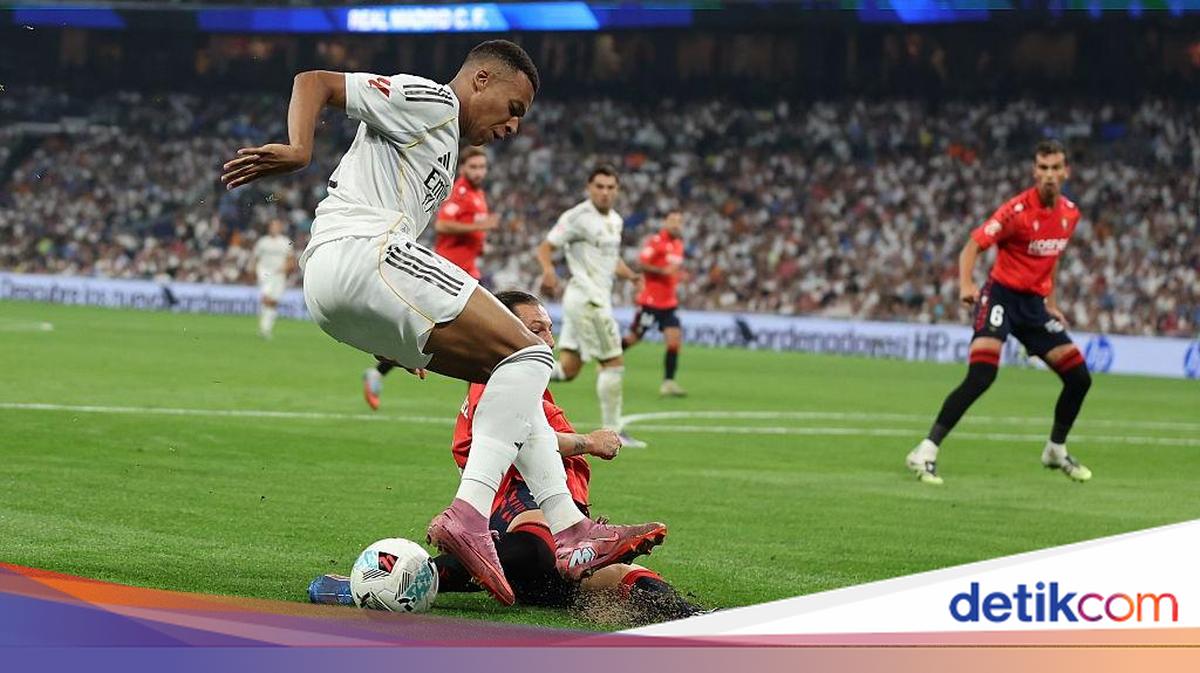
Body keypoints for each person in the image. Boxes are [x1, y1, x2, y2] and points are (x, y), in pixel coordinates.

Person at [220, 40, 665, 606]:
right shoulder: (434, 101)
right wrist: (299, 149)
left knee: (509, 373)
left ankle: (571, 531)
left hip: (344, 285)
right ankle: (471, 514)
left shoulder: (445, 147)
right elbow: (316, 81)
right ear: (481, 80)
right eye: (513, 108)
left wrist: (393, 330)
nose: (514, 126)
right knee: (532, 352)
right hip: (362, 251)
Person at [311, 291, 693, 624]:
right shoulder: (499, 380)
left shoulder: (522, 384)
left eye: (549, 329)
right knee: (540, 549)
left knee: (611, 576)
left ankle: (692, 616)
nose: (548, 339)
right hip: (517, 504)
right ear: (501, 330)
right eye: (535, 329)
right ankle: (400, 579)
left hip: (549, 518)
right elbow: (523, 437)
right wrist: (589, 442)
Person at [905, 140, 1093, 485]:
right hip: (1000, 298)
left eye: (1055, 168)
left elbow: (1052, 257)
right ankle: (925, 451)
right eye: (1043, 168)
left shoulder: (1070, 214)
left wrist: (1051, 303)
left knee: (1079, 378)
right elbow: (971, 247)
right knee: (982, 375)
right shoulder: (1015, 212)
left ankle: (1055, 449)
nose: (1049, 175)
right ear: (1034, 171)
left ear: (1066, 171)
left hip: (1033, 307)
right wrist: (966, 285)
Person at [363, 147, 497, 410]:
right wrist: (479, 227)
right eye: (473, 167)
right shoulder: (459, 192)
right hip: (449, 274)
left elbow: (466, 233)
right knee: (448, 335)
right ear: (463, 168)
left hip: (469, 273)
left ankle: (475, 403)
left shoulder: (478, 194)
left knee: (468, 337)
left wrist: (479, 244)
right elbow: (443, 225)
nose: (479, 172)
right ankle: (476, 405)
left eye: (482, 167)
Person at [536, 165, 646, 449]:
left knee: (569, 369)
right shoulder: (577, 217)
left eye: (610, 187)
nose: (605, 192)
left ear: (617, 190)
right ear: (589, 187)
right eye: (599, 186)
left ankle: (514, 369)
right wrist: (548, 271)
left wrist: (631, 276)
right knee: (613, 362)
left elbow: (611, 259)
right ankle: (615, 431)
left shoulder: (615, 220)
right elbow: (545, 247)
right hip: (589, 300)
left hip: (589, 300)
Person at [623, 209, 687, 397]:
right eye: (673, 221)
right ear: (665, 223)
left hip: (669, 304)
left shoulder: (678, 244)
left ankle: (668, 383)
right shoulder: (656, 241)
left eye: (679, 221)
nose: (676, 225)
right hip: (650, 303)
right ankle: (608, 361)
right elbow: (642, 264)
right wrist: (661, 271)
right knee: (634, 338)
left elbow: (673, 270)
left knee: (674, 342)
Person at [252, 218, 294, 339]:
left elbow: (290, 259)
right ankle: (264, 328)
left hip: (279, 274)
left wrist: (285, 268)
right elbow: (256, 258)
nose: (274, 228)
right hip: (265, 273)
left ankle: (266, 327)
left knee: (274, 302)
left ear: (280, 228)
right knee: (267, 298)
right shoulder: (263, 242)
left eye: (276, 226)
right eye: (272, 226)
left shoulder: (286, 242)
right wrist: (255, 272)